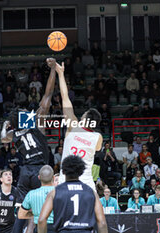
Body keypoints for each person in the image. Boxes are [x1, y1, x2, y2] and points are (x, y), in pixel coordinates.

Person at [0, 58, 56, 201]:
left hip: (25, 171)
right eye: (24, 111)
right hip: (40, 170)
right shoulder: (36, 123)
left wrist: (5, 124)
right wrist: (53, 69)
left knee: (23, 207)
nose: (27, 110)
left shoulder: (14, 134)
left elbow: (2, 138)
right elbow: (48, 94)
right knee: (46, 203)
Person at [55, 61, 103, 191]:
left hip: (66, 182)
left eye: (84, 114)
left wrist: (60, 74)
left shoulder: (73, 126)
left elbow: (65, 97)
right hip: (86, 184)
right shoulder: (98, 137)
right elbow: (98, 149)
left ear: (86, 118)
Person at [37, 156, 108, 233]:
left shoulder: (54, 192)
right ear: (81, 171)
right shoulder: (91, 192)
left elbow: (41, 220)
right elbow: (102, 223)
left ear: (63, 171)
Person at [18, 165, 55, 232]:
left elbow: (21, 214)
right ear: (53, 178)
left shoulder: (31, 194)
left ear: (39, 177)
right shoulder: (61, 192)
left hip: (39, 228)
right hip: (57, 228)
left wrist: (35, 214)